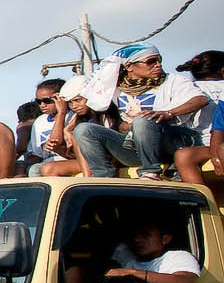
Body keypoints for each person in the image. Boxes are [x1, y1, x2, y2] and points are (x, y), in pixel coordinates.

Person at [74, 43, 210, 179]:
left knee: (144, 119)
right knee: (84, 130)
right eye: (151, 61)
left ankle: (150, 172)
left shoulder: (172, 80)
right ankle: (102, 176)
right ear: (129, 66)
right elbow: (117, 122)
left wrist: (168, 113)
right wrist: (126, 126)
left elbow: (200, 99)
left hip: (175, 143)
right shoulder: (115, 89)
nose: (158, 65)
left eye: (159, 60)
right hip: (137, 147)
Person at [171, 51, 224, 192]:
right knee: (184, 155)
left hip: (209, 144)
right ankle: (205, 205)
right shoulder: (192, 89)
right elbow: (218, 125)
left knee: (183, 155)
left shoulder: (189, 88)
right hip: (212, 145)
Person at [104, 217, 201, 283]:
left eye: (145, 235)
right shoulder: (126, 253)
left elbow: (185, 282)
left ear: (165, 239)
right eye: (135, 235)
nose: (136, 240)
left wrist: (132, 272)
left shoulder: (178, 257)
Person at [24, 78, 64, 173]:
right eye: (38, 101)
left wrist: (61, 113)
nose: (42, 105)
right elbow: (37, 154)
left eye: (47, 101)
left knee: (35, 170)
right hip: (46, 162)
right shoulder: (40, 122)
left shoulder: (71, 117)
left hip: (65, 161)